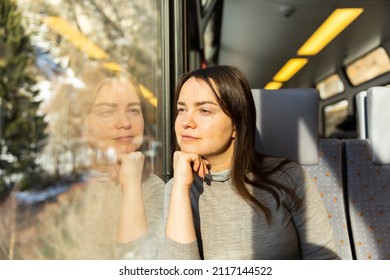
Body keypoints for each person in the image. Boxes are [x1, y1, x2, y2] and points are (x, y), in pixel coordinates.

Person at [158, 65, 340, 260]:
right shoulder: (177, 190)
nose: (186, 121)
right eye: (181, 109)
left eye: (204, 110)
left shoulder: (288, 177)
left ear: (237, 124)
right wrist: (179, 188)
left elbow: (325, 262)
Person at [14, 67, 165, 260]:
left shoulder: (153, 190)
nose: (125, 122)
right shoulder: (58, 192)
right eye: (107, 111)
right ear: (83, 124)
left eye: (133, 110)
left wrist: (132, 186)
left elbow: (140, 267)